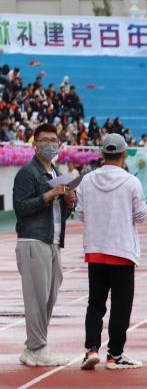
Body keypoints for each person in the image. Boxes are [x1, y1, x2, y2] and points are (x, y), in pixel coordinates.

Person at [75, 133, 147, 370]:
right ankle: (115, 355)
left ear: (102, 153)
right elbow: (141, 215)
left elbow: (80, 213)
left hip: (95, 250)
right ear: (124, 154)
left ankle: (91, 349)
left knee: (95, 304)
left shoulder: (87, 180)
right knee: (120, 306)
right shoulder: (131, 182)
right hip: (122, 251)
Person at [13, 122, 74, 367]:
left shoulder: (56, 173)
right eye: (44, 140)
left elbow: (61, 213)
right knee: (36, 298)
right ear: (35, 145)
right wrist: (49, 195)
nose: (49, 145)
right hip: (33, 240)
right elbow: (21, 207)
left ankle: (35, 346)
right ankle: (37, 347)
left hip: (53, 240)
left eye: (53, 141)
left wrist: (69, 200)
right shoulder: (28, 173)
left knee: (48, 297)